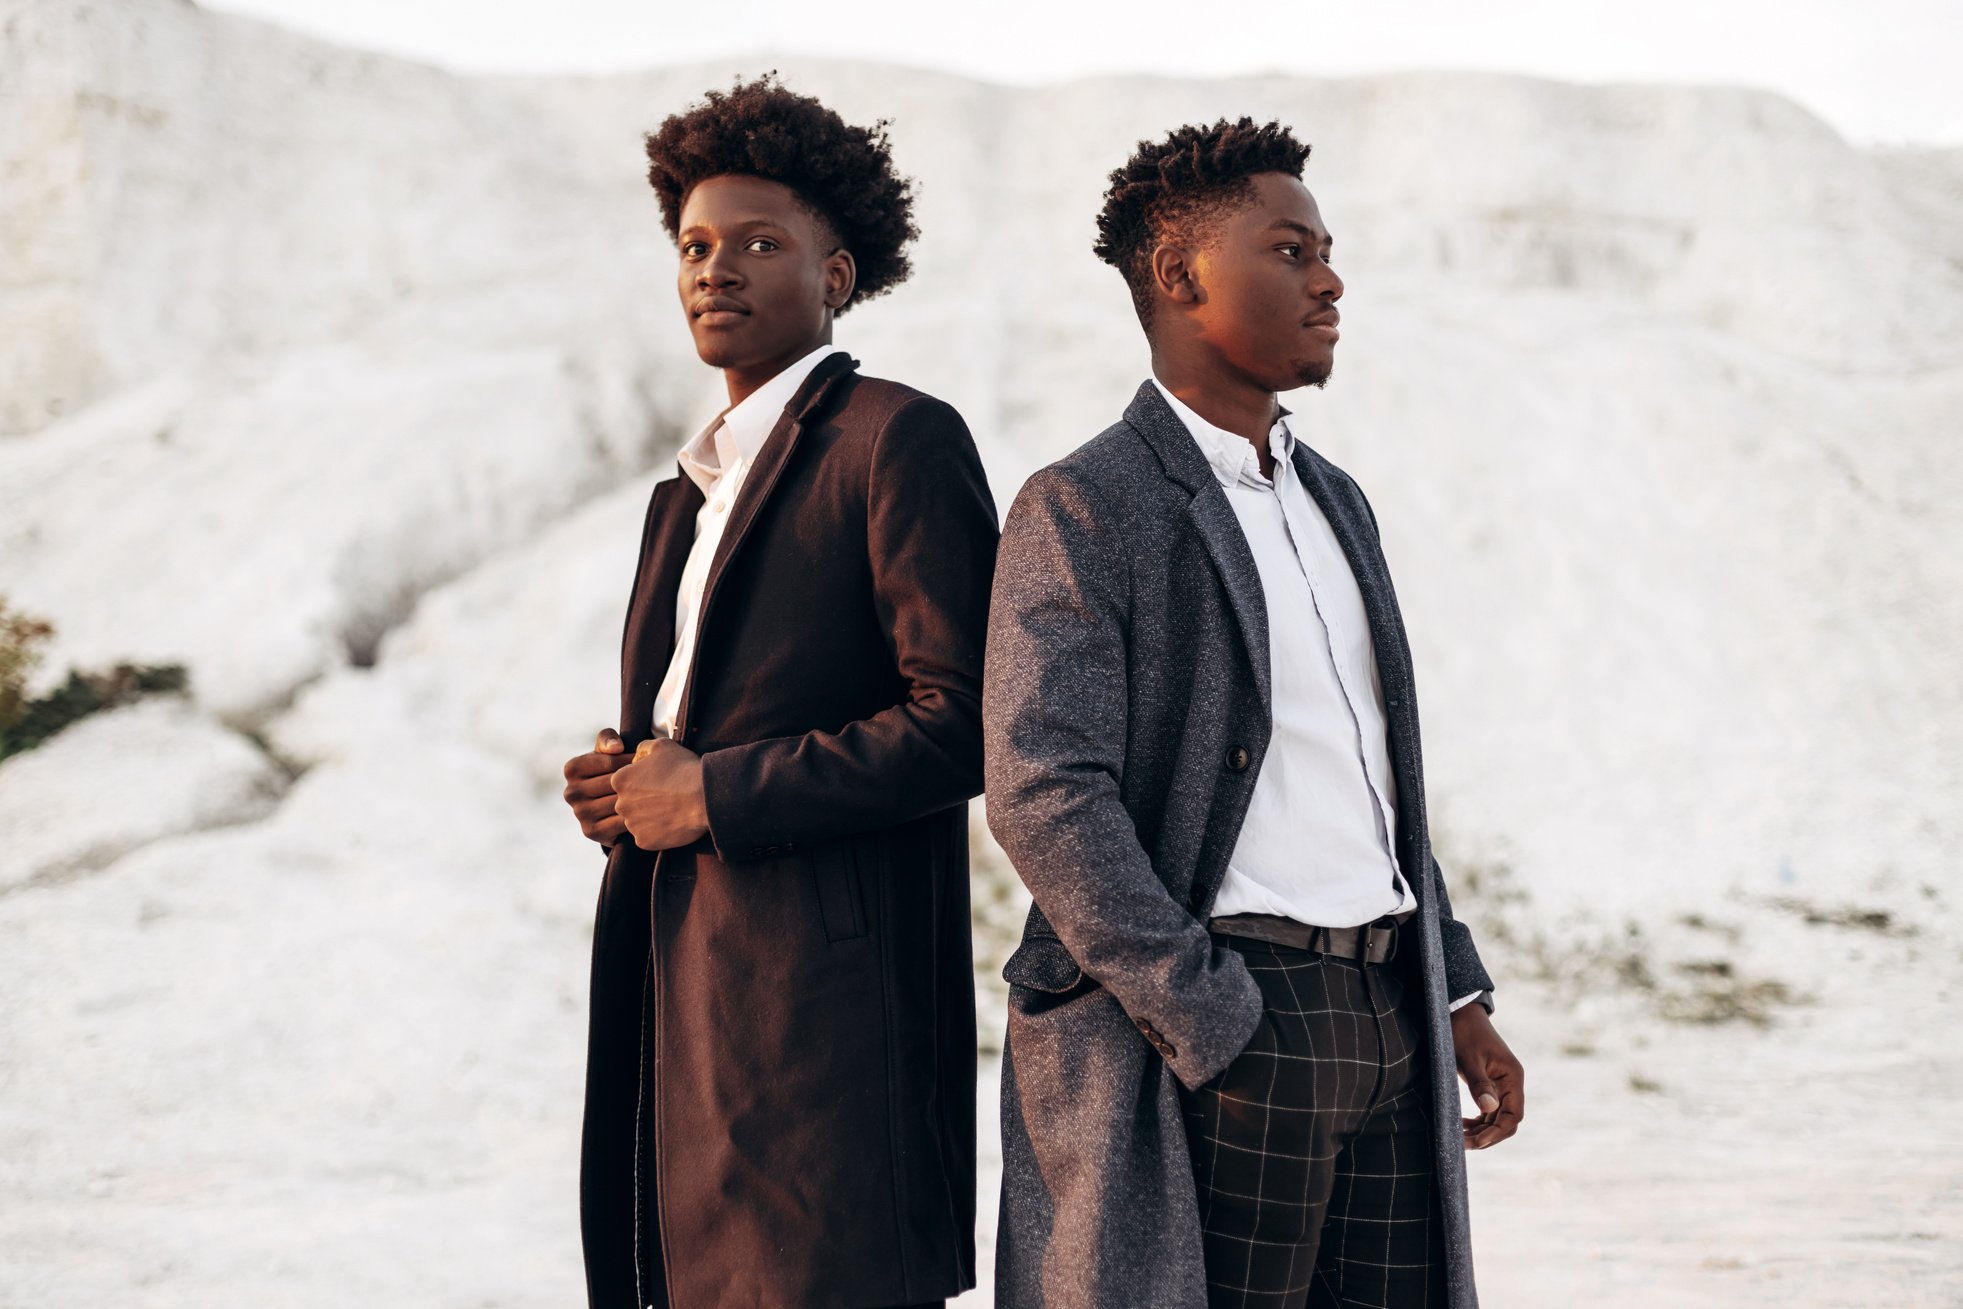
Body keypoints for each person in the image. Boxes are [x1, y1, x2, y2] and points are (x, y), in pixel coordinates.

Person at [984, 117, 1524, 1309]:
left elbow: (1374, 778)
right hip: (1237, 1019)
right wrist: (1206, 1010)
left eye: (1325, 249)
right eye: (1289, 251)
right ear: (1180, 278)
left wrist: (1451, 993)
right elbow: (1042, 789)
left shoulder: (1337, 500)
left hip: (1387, 1016)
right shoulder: (1083, 504)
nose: (1329, 277)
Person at [559, 75, 998, 1309]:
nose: (716, 269)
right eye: (695, 245)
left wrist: (713, 793)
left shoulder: (894, 438)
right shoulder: (684, 496)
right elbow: (699, 730)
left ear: (838, 275)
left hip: (826, 1015)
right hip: (682, 973)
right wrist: (627, 781)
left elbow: (964, 720)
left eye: (759, 243)